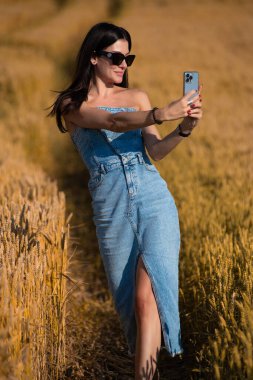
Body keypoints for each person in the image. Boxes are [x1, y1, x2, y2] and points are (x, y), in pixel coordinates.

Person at [47, 22, 203, 380]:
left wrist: (183, 129)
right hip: (111, 207)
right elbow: (110, 123)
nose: (123, 64)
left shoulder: (137, 97)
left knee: (147, 296)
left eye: (128, 57)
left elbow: (156, 152)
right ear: (93, 57)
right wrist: (163, 113)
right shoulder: (72, 106)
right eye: (116, 56)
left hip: (153, 199)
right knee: (132, 304)